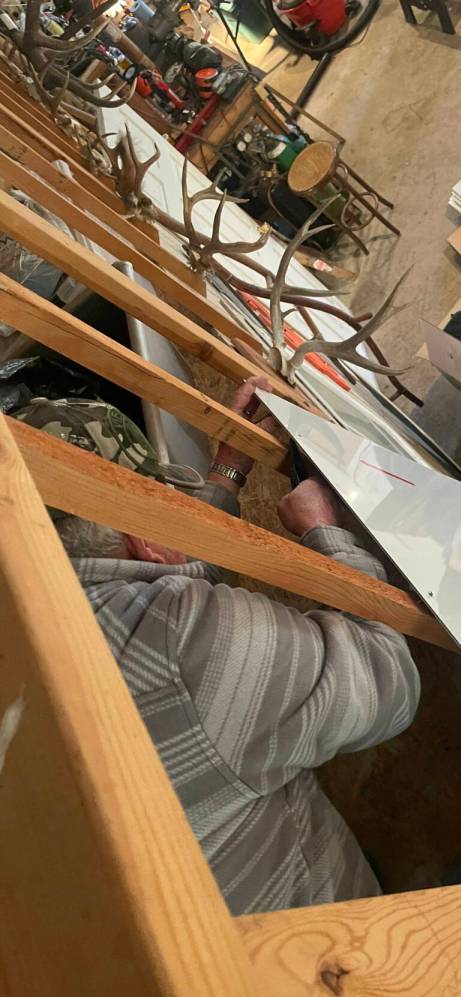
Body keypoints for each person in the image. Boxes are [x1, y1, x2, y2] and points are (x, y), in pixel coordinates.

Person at [52, 376, 420, 915]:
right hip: (312, 935)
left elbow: (167, 566)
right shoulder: (178, 644)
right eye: (162, 500)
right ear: (144, 540)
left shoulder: (49, 608)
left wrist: (228, 469)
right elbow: (388, 678)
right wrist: (327, 534)